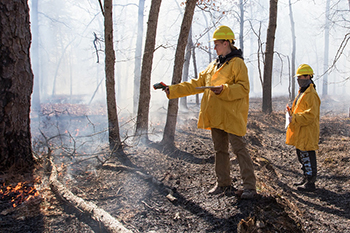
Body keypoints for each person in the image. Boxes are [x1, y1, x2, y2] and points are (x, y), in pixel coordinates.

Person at [161, 25, 256, 199]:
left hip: (232, 115)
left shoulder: (238, 63)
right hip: (217, 116)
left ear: (226, 43)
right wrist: (172, 90)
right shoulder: (214, 65)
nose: (214, 47)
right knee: (220, 150)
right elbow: (195, 84)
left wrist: (224, 89)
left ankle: (250, 187)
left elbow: (243, 88)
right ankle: (223, 184)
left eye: (217, 43)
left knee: (239, 149)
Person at [286, 64, 321, 192]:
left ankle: (310, 184)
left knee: (307, 157)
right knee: (302, 156)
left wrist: (294, 118)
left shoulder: (311, 94)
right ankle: (306, 178)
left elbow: (310, 115)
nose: (300, 79)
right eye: (299, 76)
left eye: (303, 76)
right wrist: (290, 112)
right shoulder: (302, 92)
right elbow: (300, 110)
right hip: (301, 131)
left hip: (307, 132)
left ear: (310, 77)